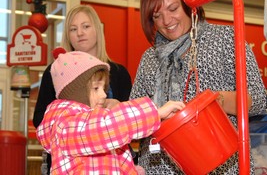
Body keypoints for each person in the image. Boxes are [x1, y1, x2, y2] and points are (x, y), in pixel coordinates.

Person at [129, 0, 267, 174]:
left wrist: (216, 101)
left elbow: (258, 100)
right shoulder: (150, 58)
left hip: (220, 165)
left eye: (173, 8)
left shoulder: (227, 40)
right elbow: (135, 115)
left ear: (189, 5)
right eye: (156, 16)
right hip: (158, 167)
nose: (166, 21)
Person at [36, 49, 185, 174]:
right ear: (76, 93)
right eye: (96, 88)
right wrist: (155, 113)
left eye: (104, 88)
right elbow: (107, 127)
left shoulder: (94, 127)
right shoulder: (66, 126)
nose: (104, 95)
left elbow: (114, 157)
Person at [33, 4, 133, 173]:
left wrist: (119, 108)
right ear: (67, 35)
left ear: (97, 30)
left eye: (86, 26)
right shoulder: (56, 72)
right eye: (73, 29)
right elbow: (40, 121)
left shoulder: (118, 73)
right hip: (68, 166)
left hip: (114, 165)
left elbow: (132, 122)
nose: (80, 33)